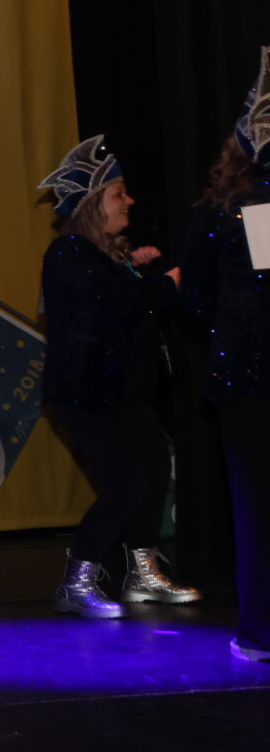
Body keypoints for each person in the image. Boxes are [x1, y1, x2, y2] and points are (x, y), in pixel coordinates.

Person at [37, 135, 200, 616]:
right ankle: (77, 580)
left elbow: (126, 308)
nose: (129, 201)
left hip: (125, 393)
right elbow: (112, 303)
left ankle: (141, 572)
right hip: (87, 393)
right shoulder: (68, 251)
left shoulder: (106, 255)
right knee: (127, 481)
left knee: (153, 472)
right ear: (92, 203)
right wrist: (161, 284)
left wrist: (144, 271)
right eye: (118, 193)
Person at [179, 65, 269, 660]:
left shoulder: (227, 208)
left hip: (248, 374)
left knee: (257, 504)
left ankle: (262, 632)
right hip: (248, 372)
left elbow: (196, 297)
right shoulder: (239, 210)